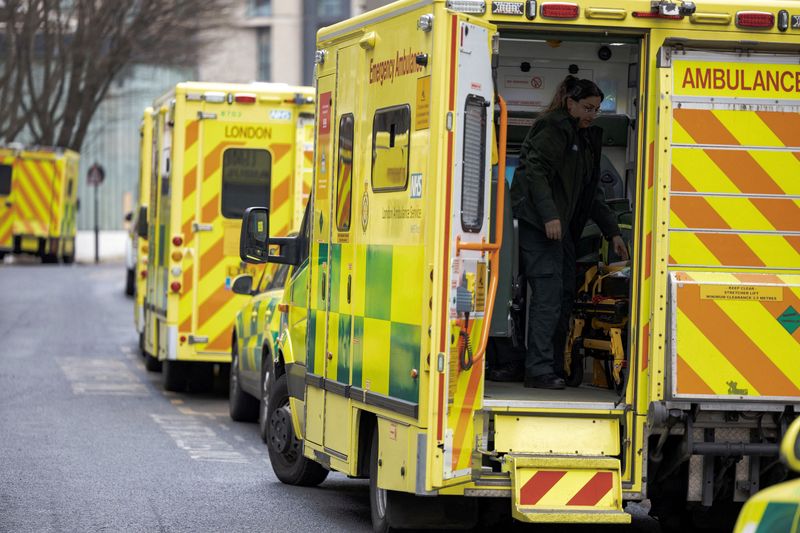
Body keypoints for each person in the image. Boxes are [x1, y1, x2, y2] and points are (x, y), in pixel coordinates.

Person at [506, 75, 629, 390]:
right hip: (541, 226)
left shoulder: (581, 138)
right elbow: (535, 173)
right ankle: (538, 370)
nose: (592, 114)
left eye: (597, 109)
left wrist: (612, 232)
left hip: (558, 231)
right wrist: (549, 215)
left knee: (560, 297)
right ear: (569, 103)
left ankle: (552, 365)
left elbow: (592, 194)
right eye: (587, 107)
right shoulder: (554, 129)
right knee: (547, 296)